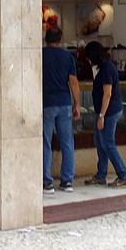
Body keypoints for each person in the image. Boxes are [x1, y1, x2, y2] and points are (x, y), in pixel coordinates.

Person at [83, 41, 126, 188]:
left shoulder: (107, 69)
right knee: (100, 142)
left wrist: (102, 116)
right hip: (104, 111)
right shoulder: (104, 68)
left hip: (109, 112)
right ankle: (101, 175)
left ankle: (123, 175)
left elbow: (107, 94)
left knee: (108, 144)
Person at [41, 29, 80, 194]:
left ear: (45, 39)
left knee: (45, 143)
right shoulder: (68, 57)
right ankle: (67, 180)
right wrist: (77, 104)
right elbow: (74, 83)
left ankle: (47, 181)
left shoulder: (40, 55)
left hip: (46, 103)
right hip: (64, 103)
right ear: (60, 39)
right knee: (67, 143)